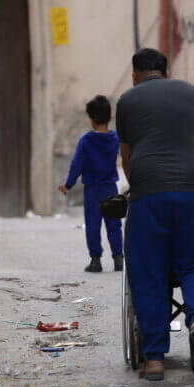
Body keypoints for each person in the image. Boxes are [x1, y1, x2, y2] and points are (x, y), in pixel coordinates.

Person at [116, 48, 194, 381]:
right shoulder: (189, 92)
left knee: (148, 272)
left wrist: (140, 189)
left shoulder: (127, 101)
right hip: (192, 189)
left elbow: (127, 158)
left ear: (135, 74)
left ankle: (155, 360)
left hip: (149, 195)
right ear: (166, 71)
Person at [59, 95, 123, 272]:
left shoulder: (86, 140)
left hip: (92, 189)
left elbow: (76, 165)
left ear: (91, 120)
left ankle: (96, 260)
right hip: (111, 186)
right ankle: (118, 258)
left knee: (93, 225)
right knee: (114, 223)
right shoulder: (115, 138)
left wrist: (68, 185)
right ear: (110, 117)